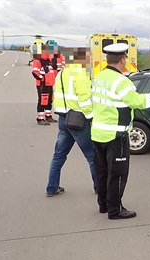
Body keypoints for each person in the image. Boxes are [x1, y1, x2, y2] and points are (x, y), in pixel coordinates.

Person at [91, 43, 150, 220]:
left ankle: (103, 205)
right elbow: (138, 102)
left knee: (102, 172)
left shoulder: (100, 76)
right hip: (116, 136)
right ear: (123, 59)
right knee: (117, 174)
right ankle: (115, 210)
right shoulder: (121, 81)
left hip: (98, 133)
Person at [45, 55, 96, 197]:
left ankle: (52, 187)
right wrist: (91, 117)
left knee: (59, 155)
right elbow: (84, 99)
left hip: (63, 118)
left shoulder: (62, 73)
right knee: (92, 156)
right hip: (78, 119)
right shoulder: (81, 74)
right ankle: (99, 187)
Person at [31, 47, 57, 125]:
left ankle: (48, 116)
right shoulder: (38, 61)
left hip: (49, 84)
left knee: (49, 101)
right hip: (42, 85)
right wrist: (42, 79)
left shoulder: (49, 61)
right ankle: (40, 118)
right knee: (42, 101)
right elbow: (34, 72)